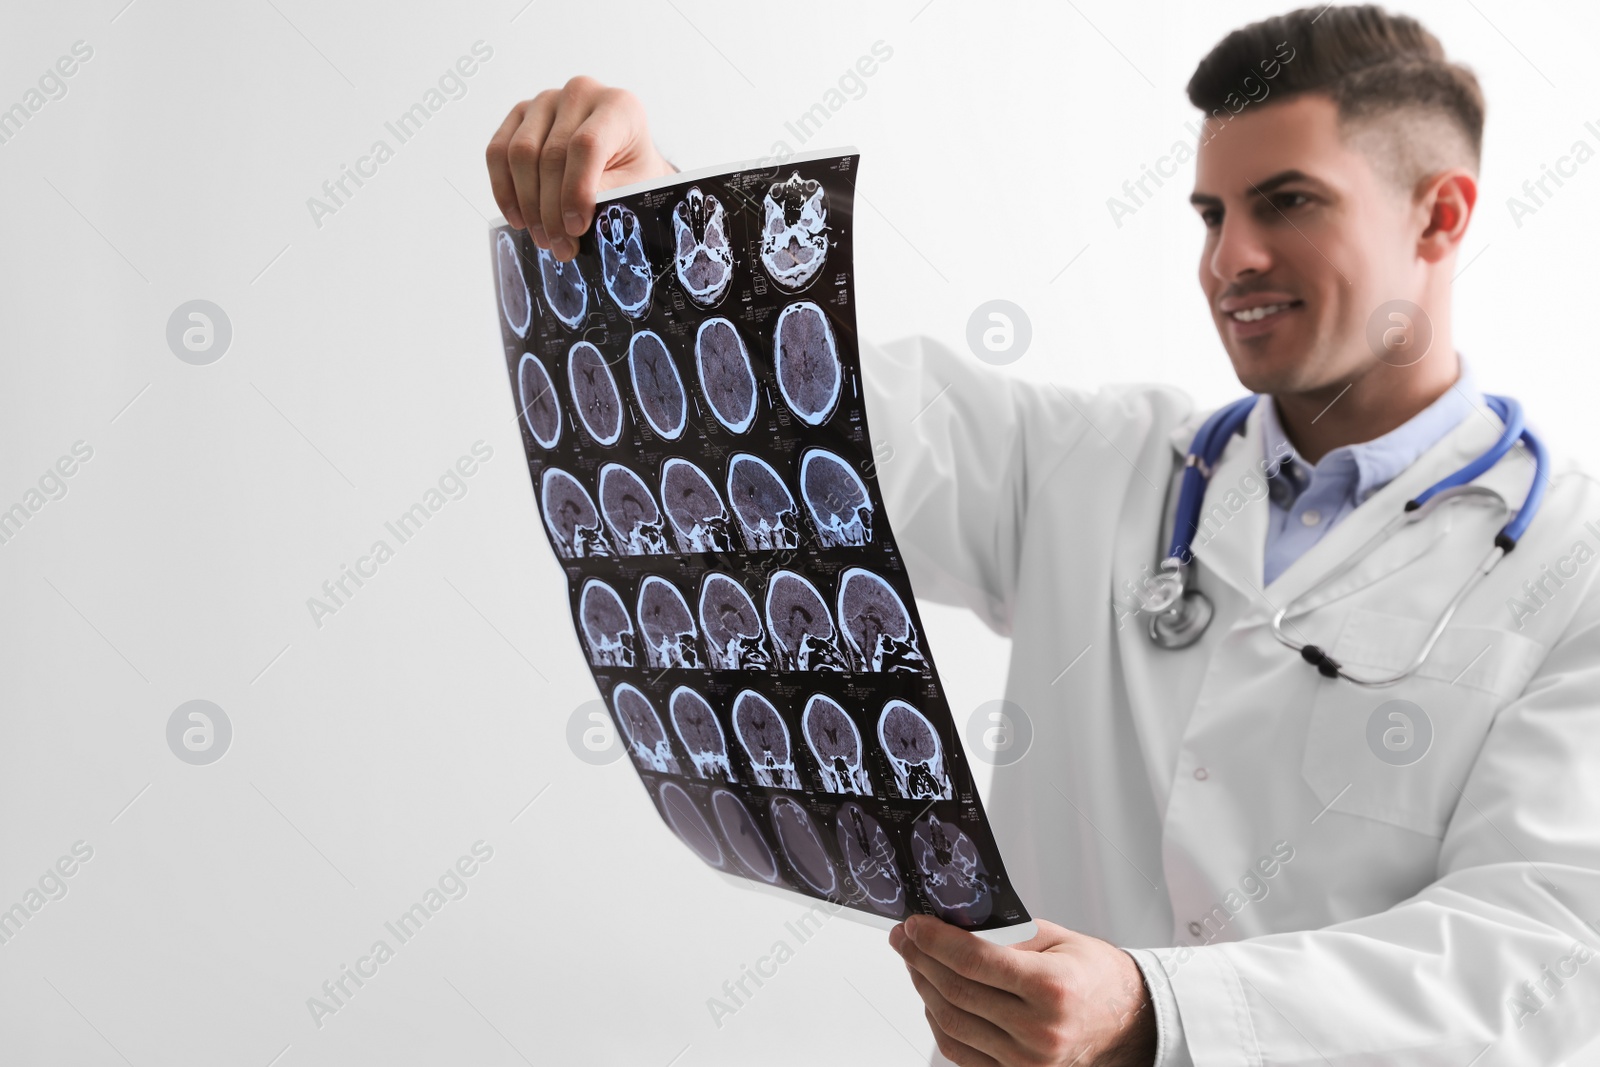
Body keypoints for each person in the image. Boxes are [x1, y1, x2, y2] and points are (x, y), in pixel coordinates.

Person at [485, 5, 1600, 1064]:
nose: (1230, 259)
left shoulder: (1573, 562)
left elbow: (1549, 944)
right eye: (1212, 215)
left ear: (1440, 215)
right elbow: (805, 408)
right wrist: (651, 205)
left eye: (1287, 202)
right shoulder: (1099, 464)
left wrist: (1163, 1014)